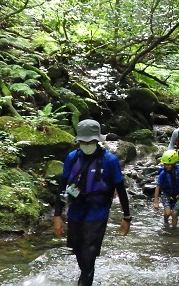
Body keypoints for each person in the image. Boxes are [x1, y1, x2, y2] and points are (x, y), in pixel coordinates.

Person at [53, 119, 131, 286]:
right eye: (83, 141)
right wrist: (57, 216)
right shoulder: (72, 158)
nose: (86, 144)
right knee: (79, 251)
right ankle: (86, 278)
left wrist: (126, 217)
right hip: (75, 210)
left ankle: (83, 282)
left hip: (98, 212)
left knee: (89, 252)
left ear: (97, 140)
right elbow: (62, 186)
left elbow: (121, 188)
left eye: (89, 141)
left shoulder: (110, 161)